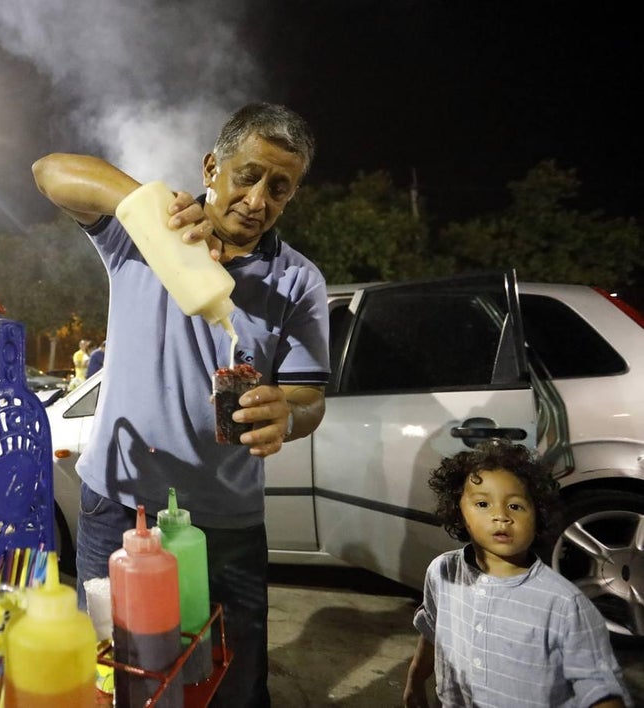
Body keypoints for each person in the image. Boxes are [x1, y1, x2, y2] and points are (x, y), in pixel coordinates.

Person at [32, 102, 329, 707]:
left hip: (226, 519)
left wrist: (288, 415)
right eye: (248, 175)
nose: (258, 199)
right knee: (122, 671)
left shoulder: (299, 280)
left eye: (280, 188)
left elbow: (308, 397)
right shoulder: (144, 236)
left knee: (232, 679)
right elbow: (50, 171)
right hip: (119, 502)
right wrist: (149, 207)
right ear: (212, 165)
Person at [403, 439, 631, 708]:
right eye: (483, 504)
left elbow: (599, 688)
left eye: (515, 506)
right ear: (458, 512)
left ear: (538, 516)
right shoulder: (442, 571)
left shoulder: (564, 604)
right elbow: (432, 630)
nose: (501, 516)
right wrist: (415, 680)